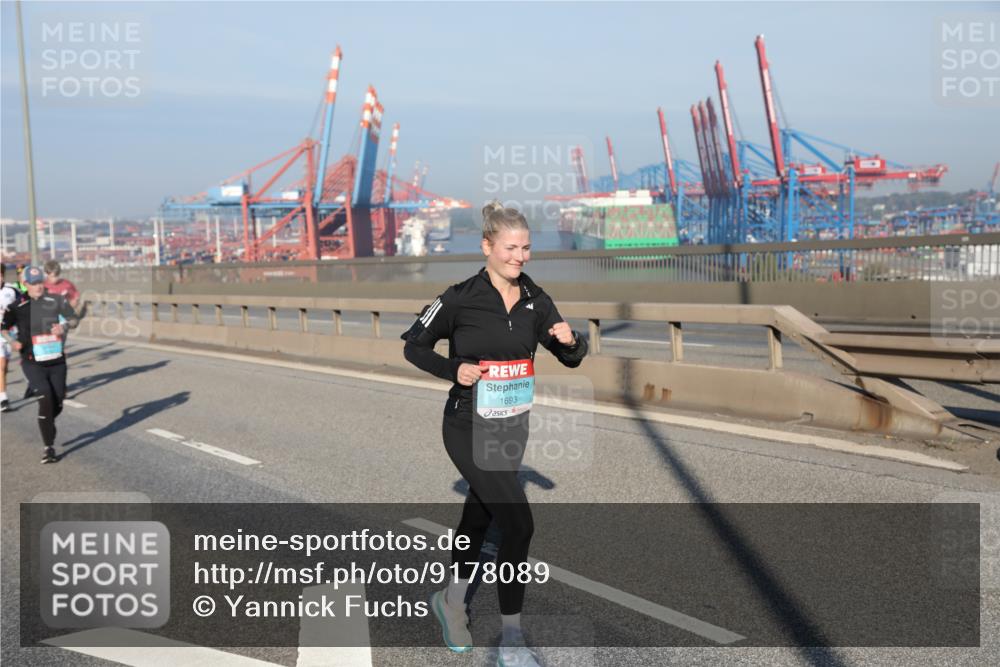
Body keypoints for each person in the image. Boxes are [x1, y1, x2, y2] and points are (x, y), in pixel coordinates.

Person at [402, 201, 587, 666]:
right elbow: (413, 345)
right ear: (487, 246)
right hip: (466, 424)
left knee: (479, 519)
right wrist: (454, 368)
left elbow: (570, 357)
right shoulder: (460, 297)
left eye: (526, 247)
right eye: (510, 247)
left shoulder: (535, 300)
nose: (520, 256)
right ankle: (512, 640)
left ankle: (450, 600)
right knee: (519, 524)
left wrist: (572, 341)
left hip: (512, 427)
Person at [1, 265, 79, 463]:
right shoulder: (16, 306)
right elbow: (3, 327)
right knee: (44, 396)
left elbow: (73, 319)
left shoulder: (56, 300)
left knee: (58, 400)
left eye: (40, 283)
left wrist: (63, 327)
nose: (38, 287)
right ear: (25, 284)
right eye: (33, 283)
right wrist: (13, 341)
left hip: (57, 361)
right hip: (32, 361)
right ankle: (48, 447)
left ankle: (47, 420)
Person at [0, 264, 23, 412]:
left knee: (5, 366)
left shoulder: (12, 291)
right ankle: (3, 399)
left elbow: (24, 306)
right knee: (1, 365)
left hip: (9, 333)